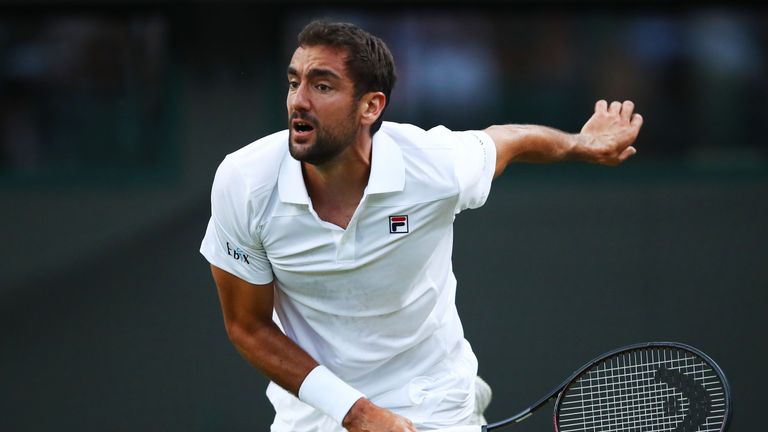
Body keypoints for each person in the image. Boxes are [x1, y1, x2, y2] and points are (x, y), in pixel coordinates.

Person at [200, 20, 642, 432]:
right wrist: (356, 411)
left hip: (435, 404)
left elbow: (509, 140)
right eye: (294, 82)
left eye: (322, 85)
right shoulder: (245, 181)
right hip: (315, 415)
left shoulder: (433, 166)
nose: (299, 99)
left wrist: (580, 145)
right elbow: (248, 325)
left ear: (370, 107)